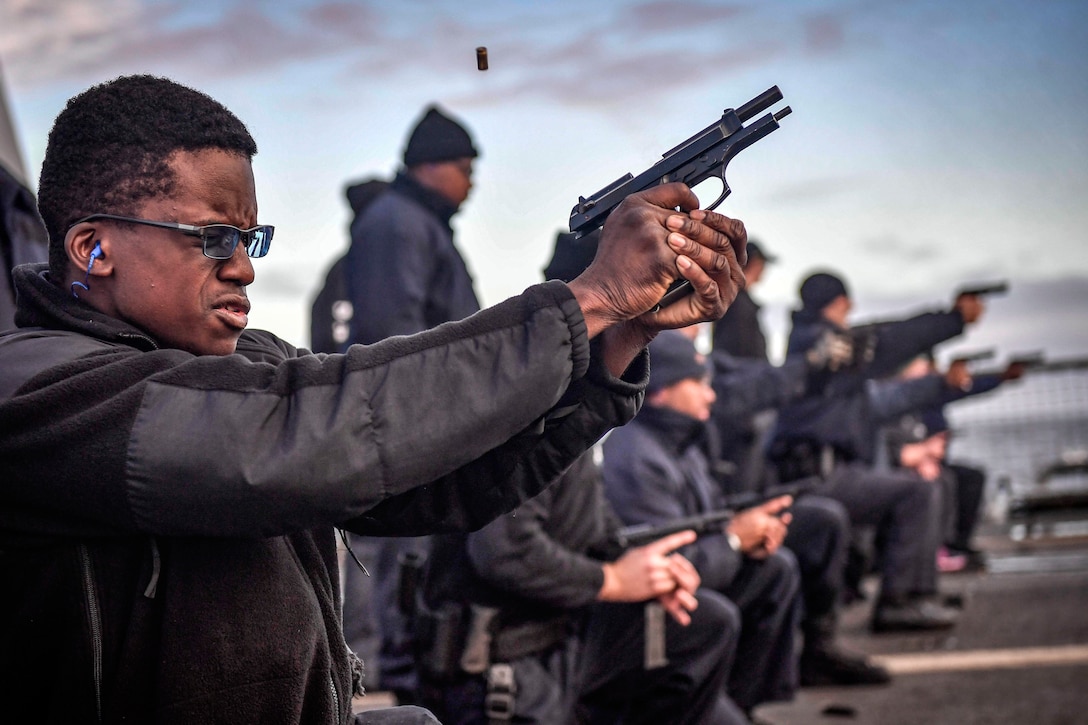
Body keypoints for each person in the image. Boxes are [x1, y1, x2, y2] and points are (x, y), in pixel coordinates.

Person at [0, 74, 748, 724]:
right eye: (213, 239)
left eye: (250, 241)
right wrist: (589, 298)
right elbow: (297, 435)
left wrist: (617, 338)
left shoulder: (246, 365)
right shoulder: (40, 389)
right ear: (92, 248)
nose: (243, 270)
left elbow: (436, 475)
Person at [417, 450, 746, 725]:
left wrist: (650, 572)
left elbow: (595, 524)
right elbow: (505, 552)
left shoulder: (578, 413)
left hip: (565, 636)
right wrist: (611, 580)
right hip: (505, 661)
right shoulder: (528, 414)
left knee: (707, 623)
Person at [337, 104, 484, 701]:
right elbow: (393, 337)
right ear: (431, 166)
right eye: (466, 167)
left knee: (411, 562)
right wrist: (426, 422)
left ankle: (402, 676)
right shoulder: (398, 224)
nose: (472, 182)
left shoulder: (418, 223)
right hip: (404, 427)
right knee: (395, 560)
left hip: (423, 422)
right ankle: (386, 683)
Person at [767, 270, 985, 632]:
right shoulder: (822, 347)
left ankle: (916, 596)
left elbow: (887, 386)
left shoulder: (820, 354)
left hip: (821, 472)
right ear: (838, 304)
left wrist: (945, 381)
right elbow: (886, 342)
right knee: (916, 491)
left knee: (920, 489)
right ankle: (901, 601)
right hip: (816, 477)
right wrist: (952, 319)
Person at [603, 331, 802, 718]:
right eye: (697, 383)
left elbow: (708, 516)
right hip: (651, 608)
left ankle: (741, 704)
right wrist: (733, 541)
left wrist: (751, 531)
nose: (710, 395)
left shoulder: (680, 442)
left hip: (696, 575)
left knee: (776, 569)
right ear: (659, 391)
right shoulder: (636, 455)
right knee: (714, 615)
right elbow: (672, 560)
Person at [711, 238, 775, 361]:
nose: (764, 269)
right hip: (741, 374)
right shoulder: (737, 302)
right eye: (761, 263)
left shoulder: (731, 297)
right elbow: (743, 348)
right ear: (754, 263)